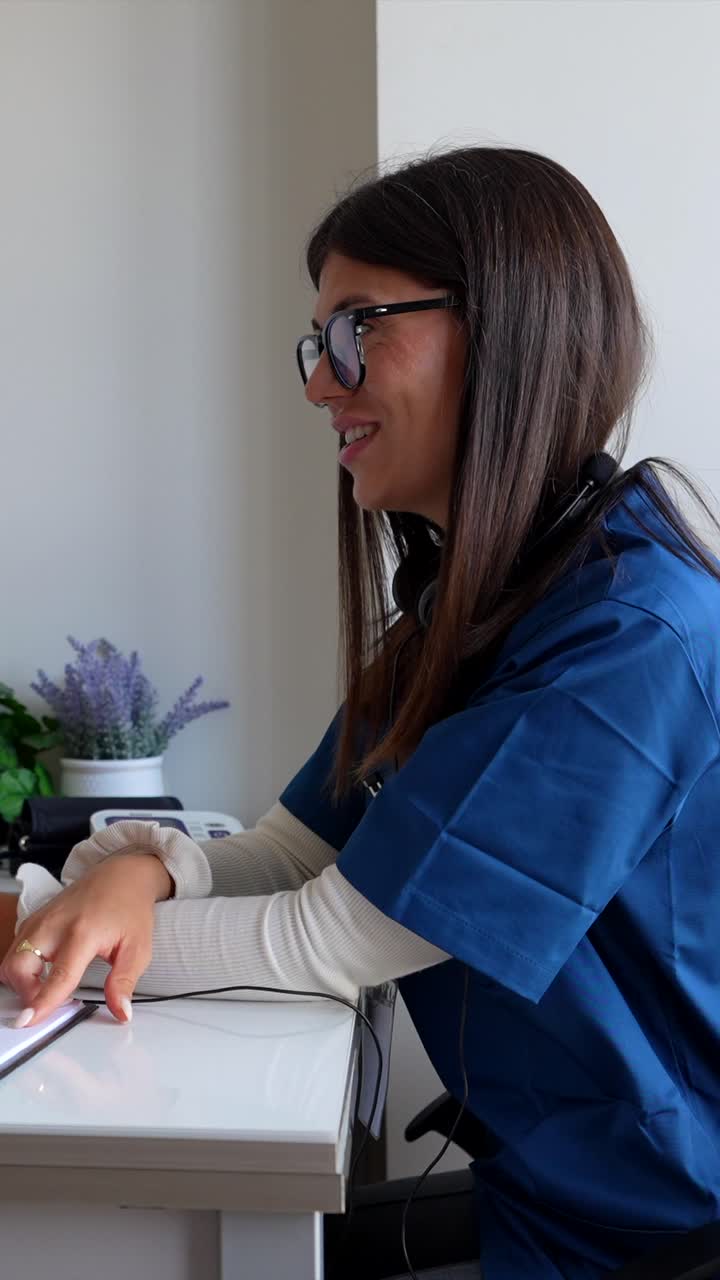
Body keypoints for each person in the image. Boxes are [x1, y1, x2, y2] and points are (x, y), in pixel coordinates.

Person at [2, 145, 720, 1280]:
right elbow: (295, 846)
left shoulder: (634, 636)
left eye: (355, 330)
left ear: (508, 328)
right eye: (315, 341)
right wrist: (134, 872)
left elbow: (329, 937)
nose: (316, 383)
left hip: (652, 1231)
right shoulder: (476, 601)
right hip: (548, 1195)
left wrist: (40, 931)